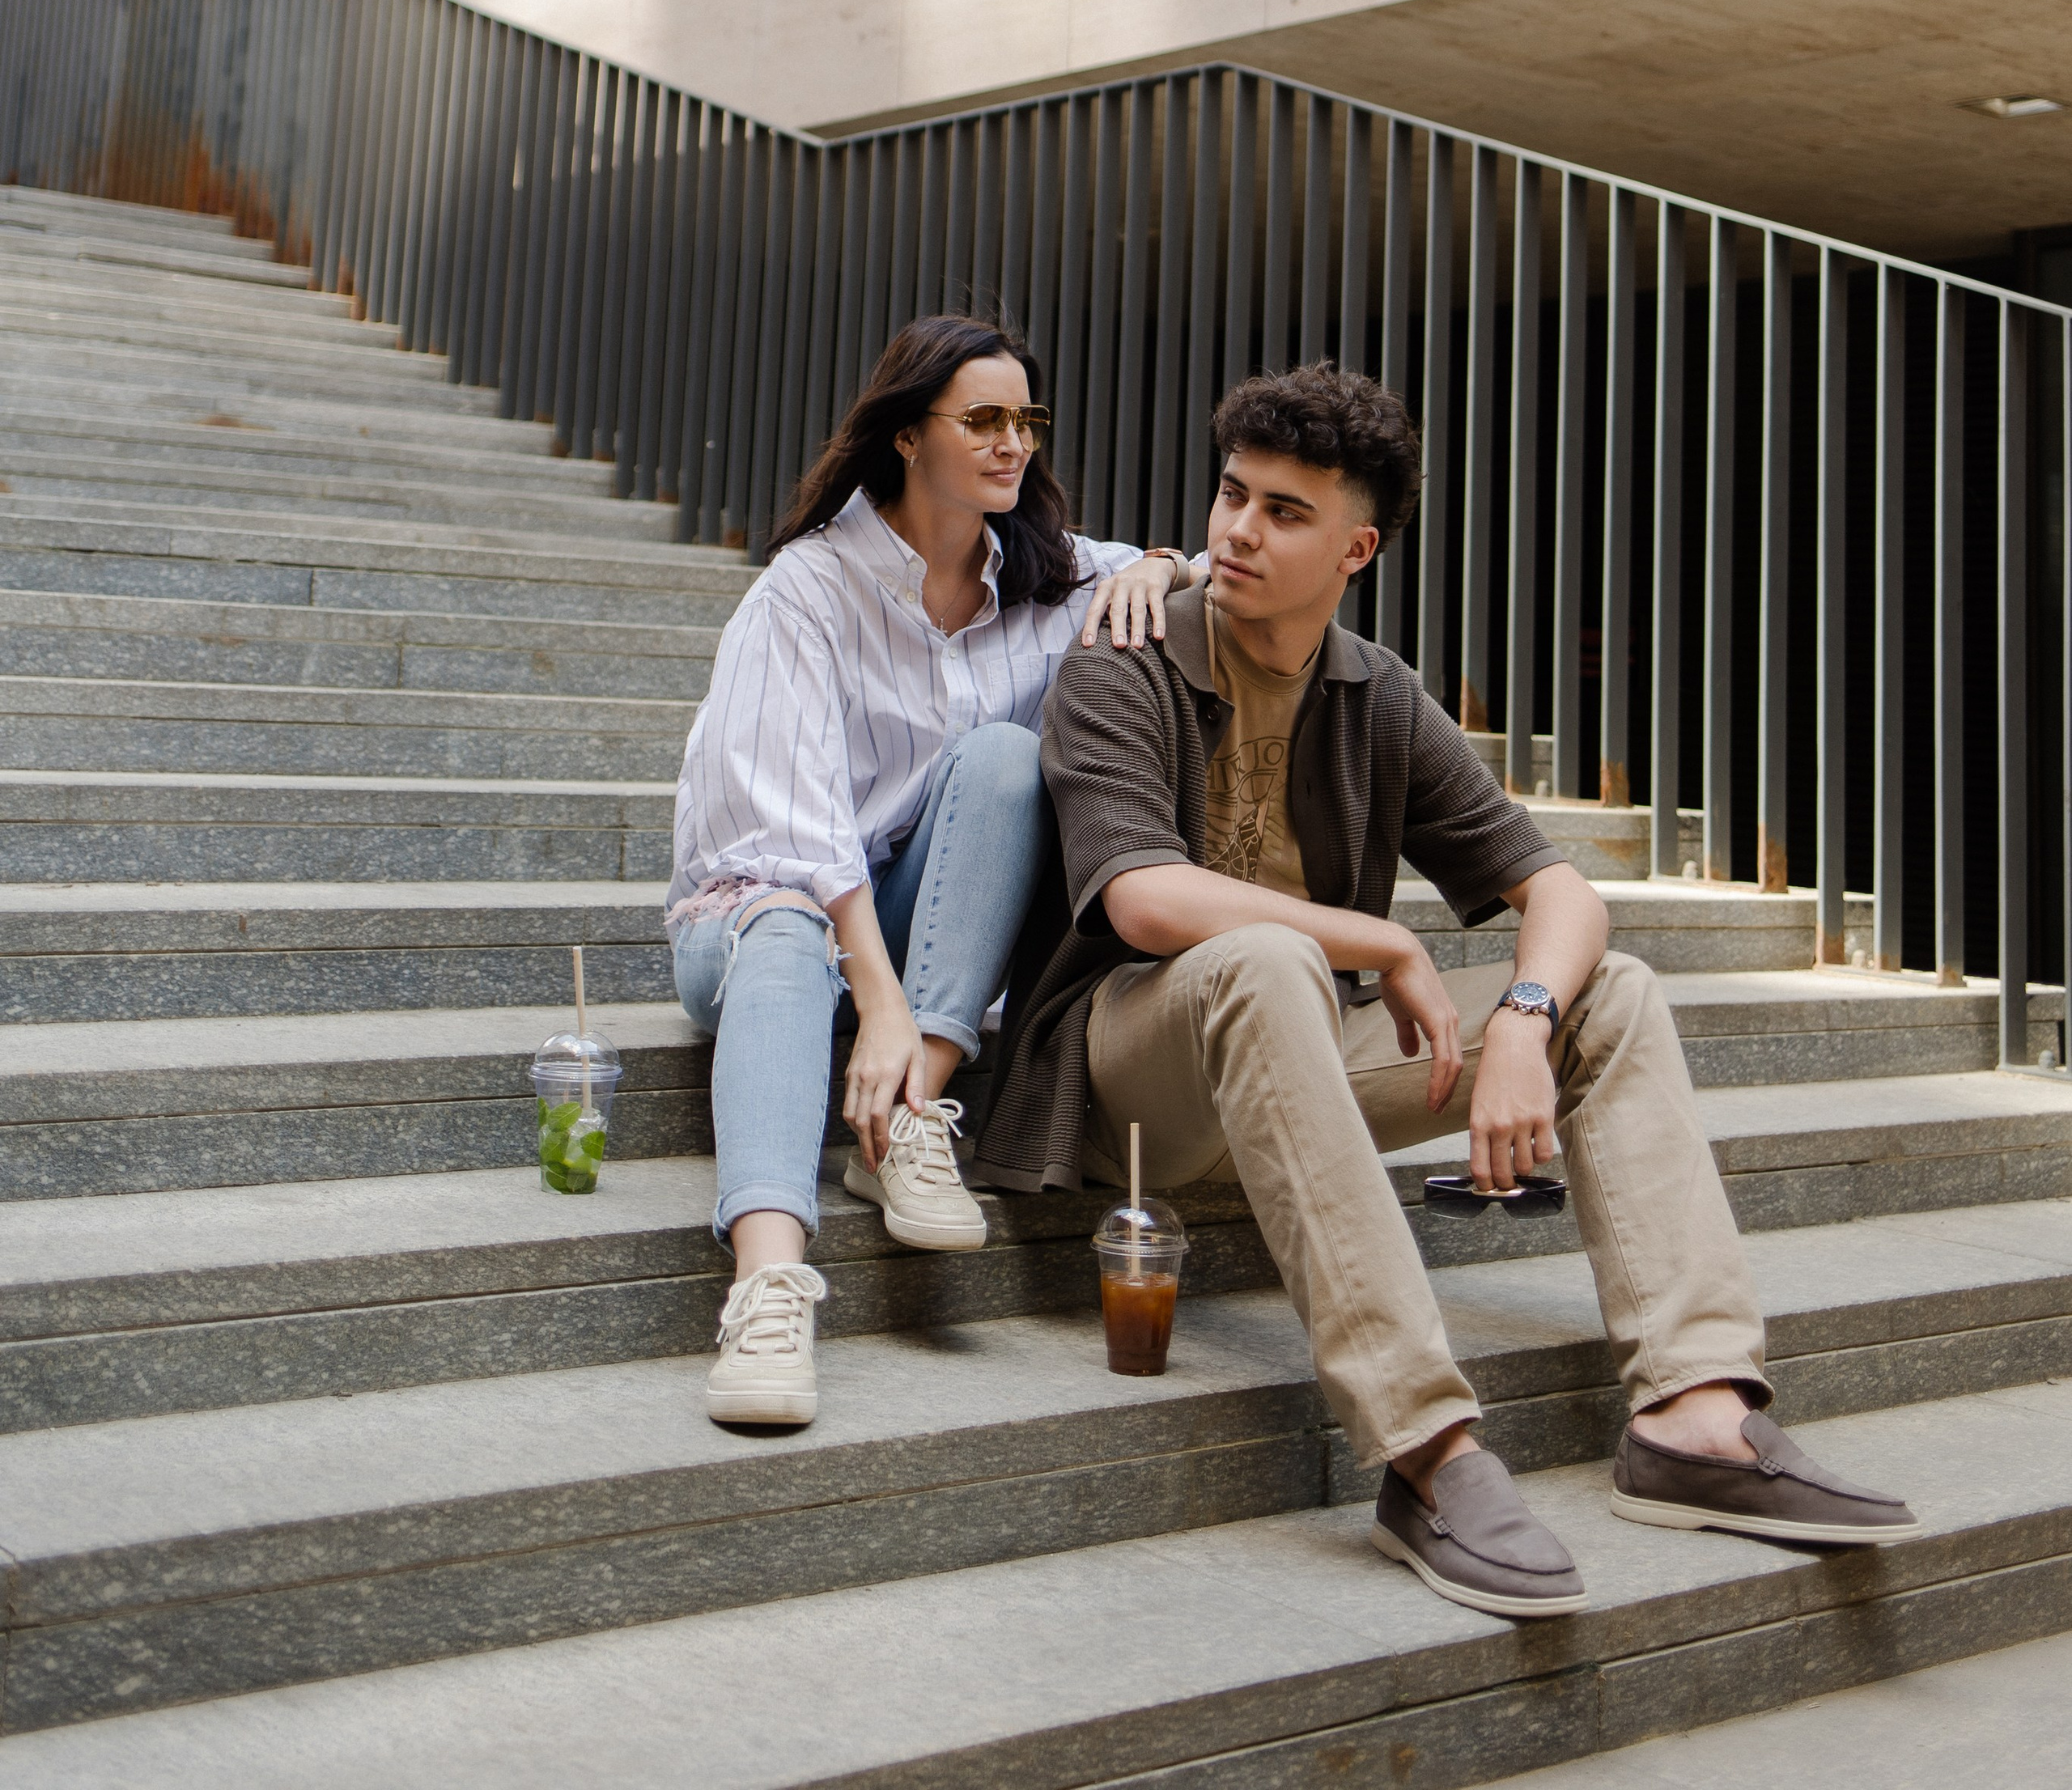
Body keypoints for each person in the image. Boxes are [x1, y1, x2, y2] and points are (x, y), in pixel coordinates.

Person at [974, 361, 1917, 1621]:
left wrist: (1524, 1022)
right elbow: (1144, 897)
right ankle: (1425, 1451)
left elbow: (1562, 892)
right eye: (1233, 494)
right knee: (1268, 958)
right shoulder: (1128, 655)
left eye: (1286, 512)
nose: (1239, 530)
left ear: (1355, 548)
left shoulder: (1375, 691)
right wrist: (1381, 940)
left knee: (1610, 990)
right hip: (1127, 1083)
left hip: (1300, 1057)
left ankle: (1693, 1419)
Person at [668, 314, 1192, 1431]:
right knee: (785, 922)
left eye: (1026, 420)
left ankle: (914, 1114)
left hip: (911, 933)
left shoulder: (1048, 577)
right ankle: (767, 1287)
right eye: (984, 420)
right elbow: (798, 833)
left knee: (1005, 758)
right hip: (756, 919)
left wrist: (1156, 567)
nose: (1014, 443)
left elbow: (1177, 566)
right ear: (908, 436)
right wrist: (879, 999)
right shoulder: (808, 589)